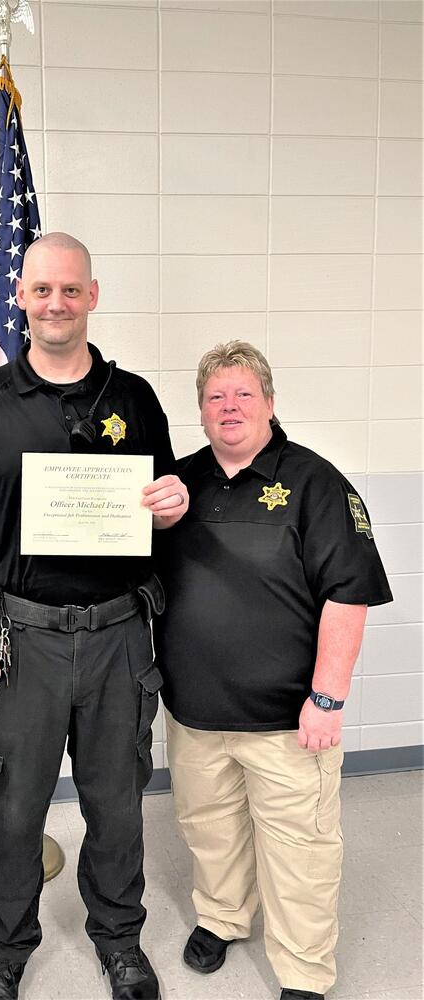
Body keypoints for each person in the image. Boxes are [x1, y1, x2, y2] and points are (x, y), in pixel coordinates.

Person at [0, 232, 189, 1000]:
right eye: (42, 289)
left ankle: (118, 940)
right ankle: (8, 946)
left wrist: (174, 502)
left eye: (70, 289)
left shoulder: (134, 398)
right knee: (12, 807)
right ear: (22, 297)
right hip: (22, 638)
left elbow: (163, 502)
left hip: (118, 635)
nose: (55, 303)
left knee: (117, 804)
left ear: (92, 295)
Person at [154, 341, 393, 1000]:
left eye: (243, 394)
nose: (229, 407)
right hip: (195, 714)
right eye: (215, 397)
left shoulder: (316, 483)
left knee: (301, 855)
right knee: (210, 830)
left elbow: (348, 596)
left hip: (288, 721)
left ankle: (304, 972)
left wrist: (328, 698)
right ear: (200, 411)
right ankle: (223, 918)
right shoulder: (178, 485)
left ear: (269, 402)